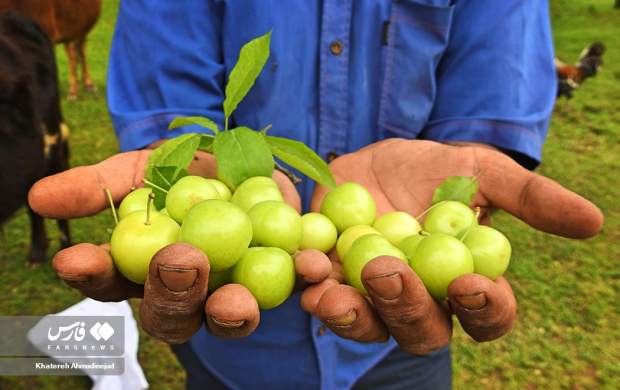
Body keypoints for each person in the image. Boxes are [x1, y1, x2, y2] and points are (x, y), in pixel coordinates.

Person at [28, 1, 604, 389]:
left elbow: (493, 84)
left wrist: (468, 166)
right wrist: (184, 158)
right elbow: (168, 94)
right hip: (232, 351)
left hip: (400, 349)